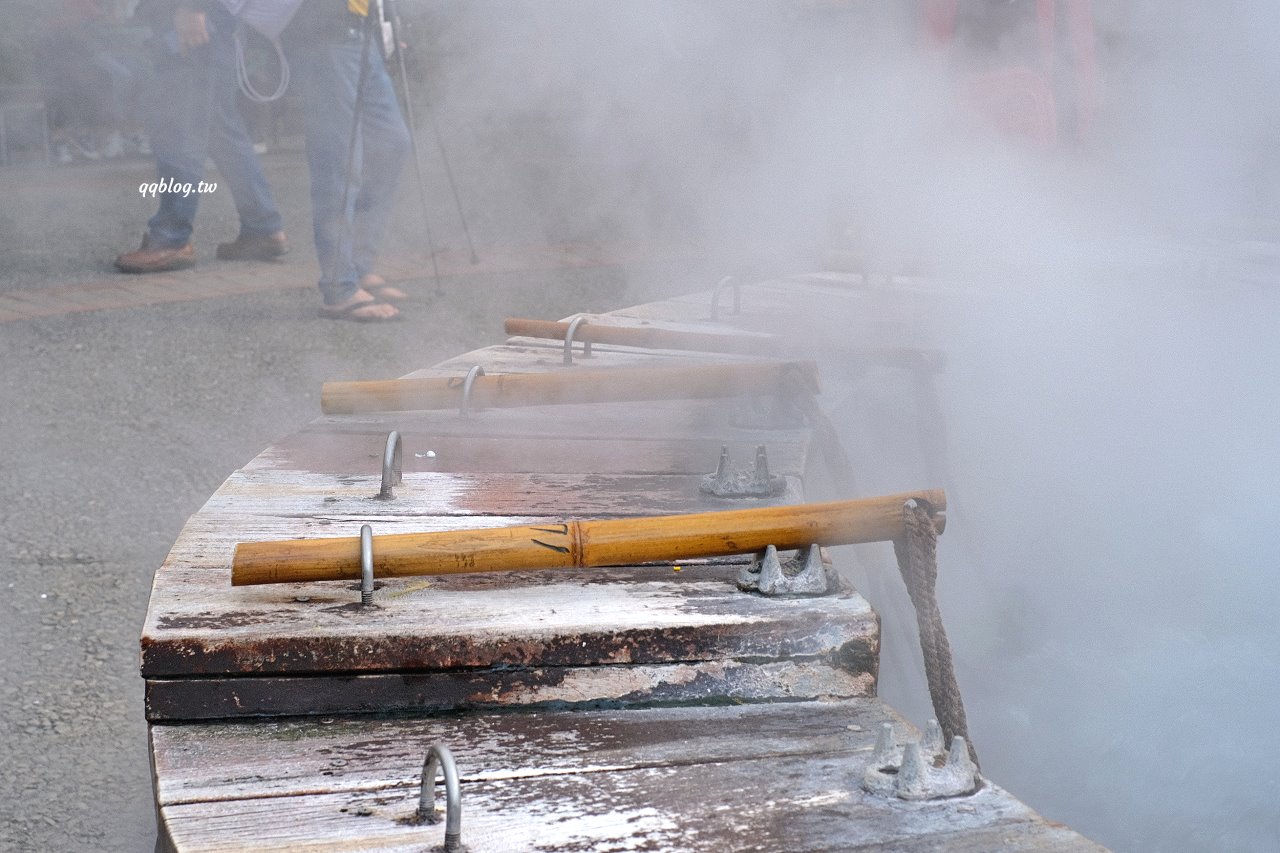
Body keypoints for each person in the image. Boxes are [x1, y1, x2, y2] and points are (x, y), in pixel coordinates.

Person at [115, 0, 288, 273]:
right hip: (210, 19)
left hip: (193, 17)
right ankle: (262, 226)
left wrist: (193, 7)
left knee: (179, 128)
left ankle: (171, 238)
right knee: (220, 131)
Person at [284, 0, 410, 321]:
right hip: (327, 35)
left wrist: (389, 25)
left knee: (392, 144)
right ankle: (339, 285)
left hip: (364, 33)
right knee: (338, 161)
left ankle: (357, 266)